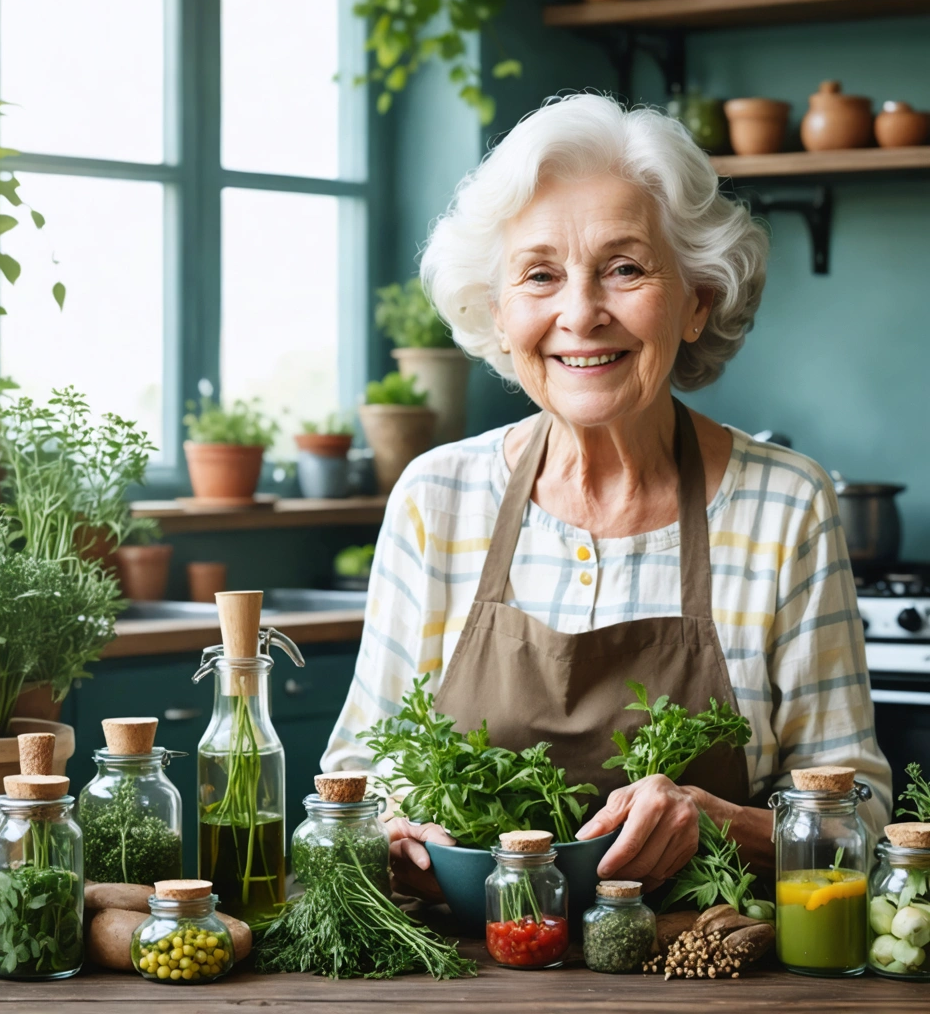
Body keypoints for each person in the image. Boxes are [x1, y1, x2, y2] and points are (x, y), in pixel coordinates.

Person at [322, 93, 891, 899]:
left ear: (696, 300)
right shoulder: (437, 497)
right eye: (540, 275)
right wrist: (385, 825)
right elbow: (352, 778)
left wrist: (716, 819)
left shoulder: (785, 505)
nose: (581, 314)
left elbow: (859, 813)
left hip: (709, 971)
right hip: (464, 966)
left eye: (625, 268)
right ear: (497, 310)